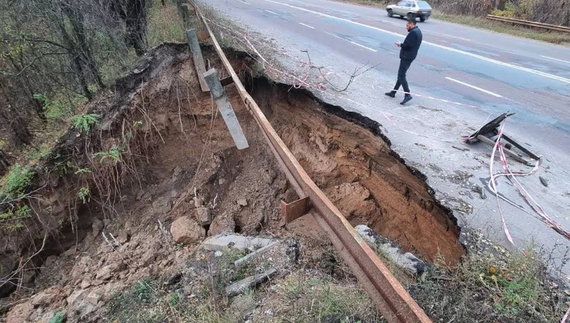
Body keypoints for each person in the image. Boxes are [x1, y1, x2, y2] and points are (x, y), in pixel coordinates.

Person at [385, 18, 423, 105]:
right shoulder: (418, 31)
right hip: (410, 56)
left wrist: (400, 44)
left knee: (401, 76)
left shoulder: (413, 33)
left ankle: (407, 95)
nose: (406, 27)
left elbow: (407, 46)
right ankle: (393, 92)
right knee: (401, 75)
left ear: (412, 24)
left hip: (407, 56)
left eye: (407, 25)